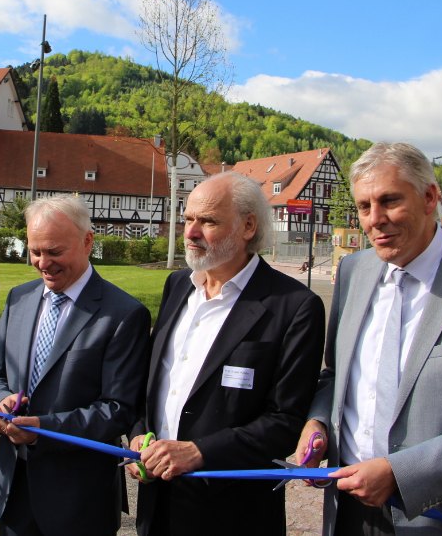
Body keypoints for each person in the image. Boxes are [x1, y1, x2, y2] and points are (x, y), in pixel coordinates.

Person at [297, 142, 442, 535]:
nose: (375, 219)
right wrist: (318, 422)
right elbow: (336, 375)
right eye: (364, 206)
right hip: (347, 510)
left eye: (389, 201)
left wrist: (398, 474)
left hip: (437, 517)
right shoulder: (354, 271)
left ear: (429, 198)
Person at [129, 171, 326, 536]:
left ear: (248, 226)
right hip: (158, 502)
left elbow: (285, 420)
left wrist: (200, 451)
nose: (190, 232)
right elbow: (154, 381)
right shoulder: (177, 286)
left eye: (208, 221)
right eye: (188, 219)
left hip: (232, 512)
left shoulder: (294, 307)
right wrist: (140, 432)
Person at [0, 194, 151, 536]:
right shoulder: (20, 298)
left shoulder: (123, 314)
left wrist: (42, 429)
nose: (44, 262)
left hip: (79, 499)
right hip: (15, 489)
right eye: (35, 251)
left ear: (88, 241)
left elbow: (117, 408)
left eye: (55, 251)